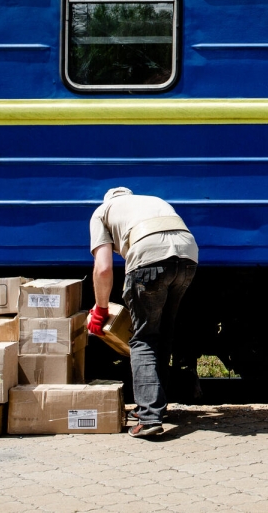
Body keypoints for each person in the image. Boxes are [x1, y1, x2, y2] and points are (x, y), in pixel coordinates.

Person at [87, 187, 199, 438]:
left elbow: (103, 268)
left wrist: (100, 309)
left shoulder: (102, 212)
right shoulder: (153, 200)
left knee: (144, 338)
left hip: (149, 260)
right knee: (163, 335)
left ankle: (149, 417)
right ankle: (157, 407)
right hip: (188, 257)